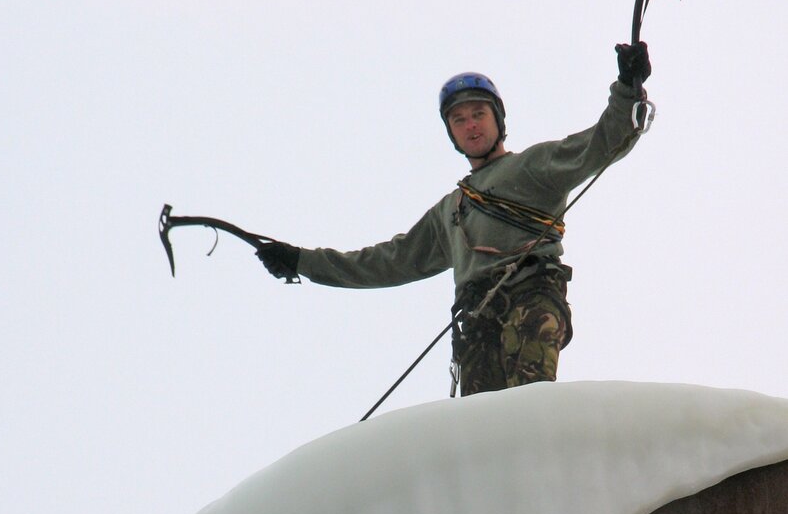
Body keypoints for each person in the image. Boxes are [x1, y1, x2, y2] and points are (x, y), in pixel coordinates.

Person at [256, 42, 651, 397]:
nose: (471, 125)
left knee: (529, 404)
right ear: (451, 132)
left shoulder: (531, 167)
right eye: (459, 120)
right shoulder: (450, 211)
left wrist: (627, 88)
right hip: (476, 321)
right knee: (482, 429)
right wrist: (302, 261)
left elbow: (600, 143)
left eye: (478, 114)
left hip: (531, 294)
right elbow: (386, 261)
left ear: (498, 120)